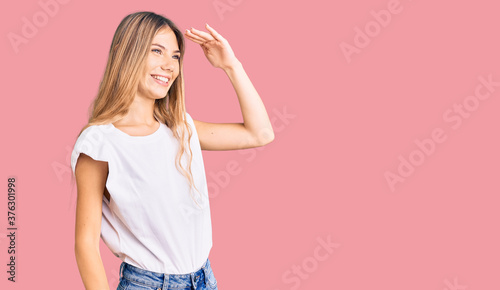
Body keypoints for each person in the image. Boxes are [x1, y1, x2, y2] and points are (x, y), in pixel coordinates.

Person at [70, 11, 274, 290]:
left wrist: (231, 66)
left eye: (176, 56)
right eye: (157, 51)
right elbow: (85, 243)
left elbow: (260, 133)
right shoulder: (100, 143)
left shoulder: (181, 128)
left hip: (204, 279)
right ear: (123, 52)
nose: (169, 65)